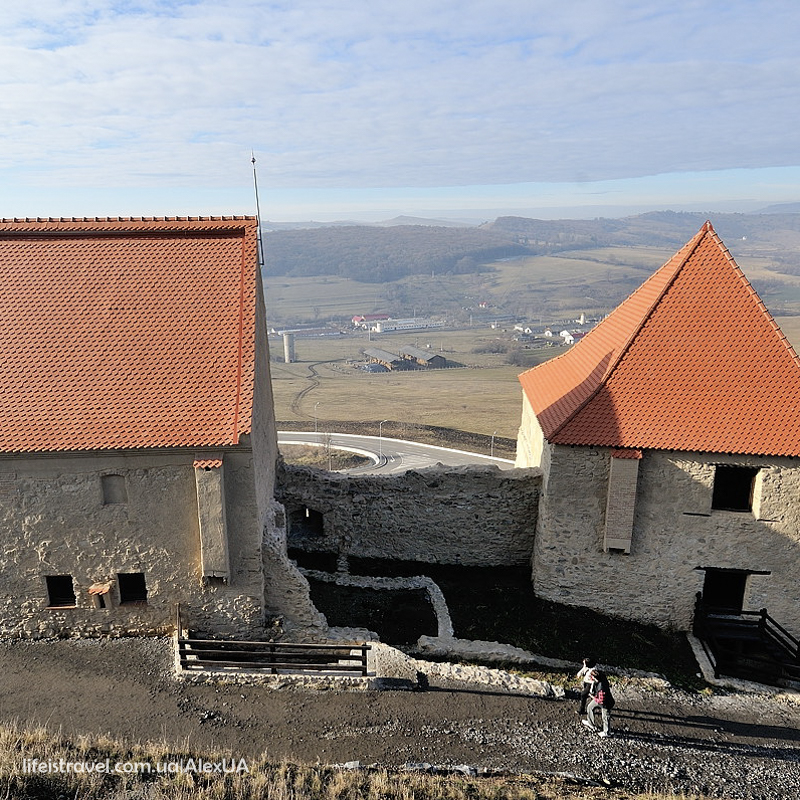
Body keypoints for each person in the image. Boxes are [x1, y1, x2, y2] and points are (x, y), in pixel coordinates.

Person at [582, 668, 615, 737]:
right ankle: (590, 723)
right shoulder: (602, 678)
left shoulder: (601, 688)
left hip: (606, 703)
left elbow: (601, 700)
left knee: (605, 717)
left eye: (592, 677)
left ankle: (607, 732)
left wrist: (592, 697)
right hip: (600, 698)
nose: (590, 678)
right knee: (590, 707)